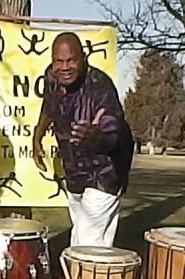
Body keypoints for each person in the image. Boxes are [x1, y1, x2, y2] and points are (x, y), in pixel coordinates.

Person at [32, 32, 134, 247]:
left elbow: (113, 133)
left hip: (105, 173)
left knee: (90, 242)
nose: (65, 67)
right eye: (59, 61)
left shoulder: (101, 87)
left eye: (71, 60)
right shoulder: (52, 77)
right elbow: (49, 107)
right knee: (80, 232)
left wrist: (96, 137)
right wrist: (37, 136)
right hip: (74, 171)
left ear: (83, 58)